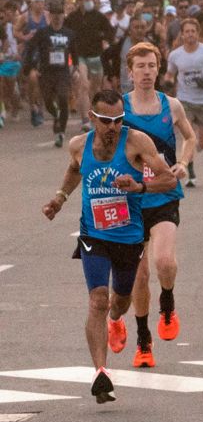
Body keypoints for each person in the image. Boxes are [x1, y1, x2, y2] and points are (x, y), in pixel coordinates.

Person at [42, 89, 177, 403]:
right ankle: (101, 372)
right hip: (94, 235)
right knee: (98, 300)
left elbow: (168, 180)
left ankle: (117, 321)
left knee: (120, 302)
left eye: (118, 120)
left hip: (129, 237)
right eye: (105, 121)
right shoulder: (79, 146)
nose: (112, 127)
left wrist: (140, 185)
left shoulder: (138, 143)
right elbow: (75, 170)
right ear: (92, 117)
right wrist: (59, 199)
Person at [121, 43, 197, 366]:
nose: (147, 72)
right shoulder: (120, 109)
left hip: (164, 192)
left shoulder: (172, 106)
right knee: (139, 277)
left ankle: (167, 302)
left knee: (164, 262)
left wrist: (182, 162)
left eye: (151, 65)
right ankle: (143, 341)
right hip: (132, 198)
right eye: (140, 66)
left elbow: (191, 138)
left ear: (159, 68)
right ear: (130, 72)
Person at [165, 18, 203, 185]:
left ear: (198, 33)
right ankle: (188, 169)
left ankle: (191, 153)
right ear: (182, 34)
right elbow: (170, 73)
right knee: (188, 135)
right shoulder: (175, 55)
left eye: (193, 31)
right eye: (187, 31)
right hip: (185, 100)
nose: (190, 34)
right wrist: (168, 82)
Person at [66, 0, 115, 132]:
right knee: (84, 86)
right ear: (79, 1)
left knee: (95, 88)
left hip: (96, 56)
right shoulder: (72, 18)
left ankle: (95, 113)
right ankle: (85, 120)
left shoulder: (98, 16)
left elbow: (110, 31)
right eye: (86, 0)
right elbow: (67, 34)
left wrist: (105, 40)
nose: (89, 2)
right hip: (80, 55)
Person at [29, 0, 75, 147]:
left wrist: (76, 68)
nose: (57, 16)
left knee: (63, 97)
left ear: (63, 15)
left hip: (62, 72)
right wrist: (31, 68)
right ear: (50, 16)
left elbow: (74, 52)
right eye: (54, 14)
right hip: (46, 72)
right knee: (48, 101)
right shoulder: (43, 33)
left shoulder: (69, 33)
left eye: (59, 13)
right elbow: (31, 49)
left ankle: (60, 130)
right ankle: (55, 115)